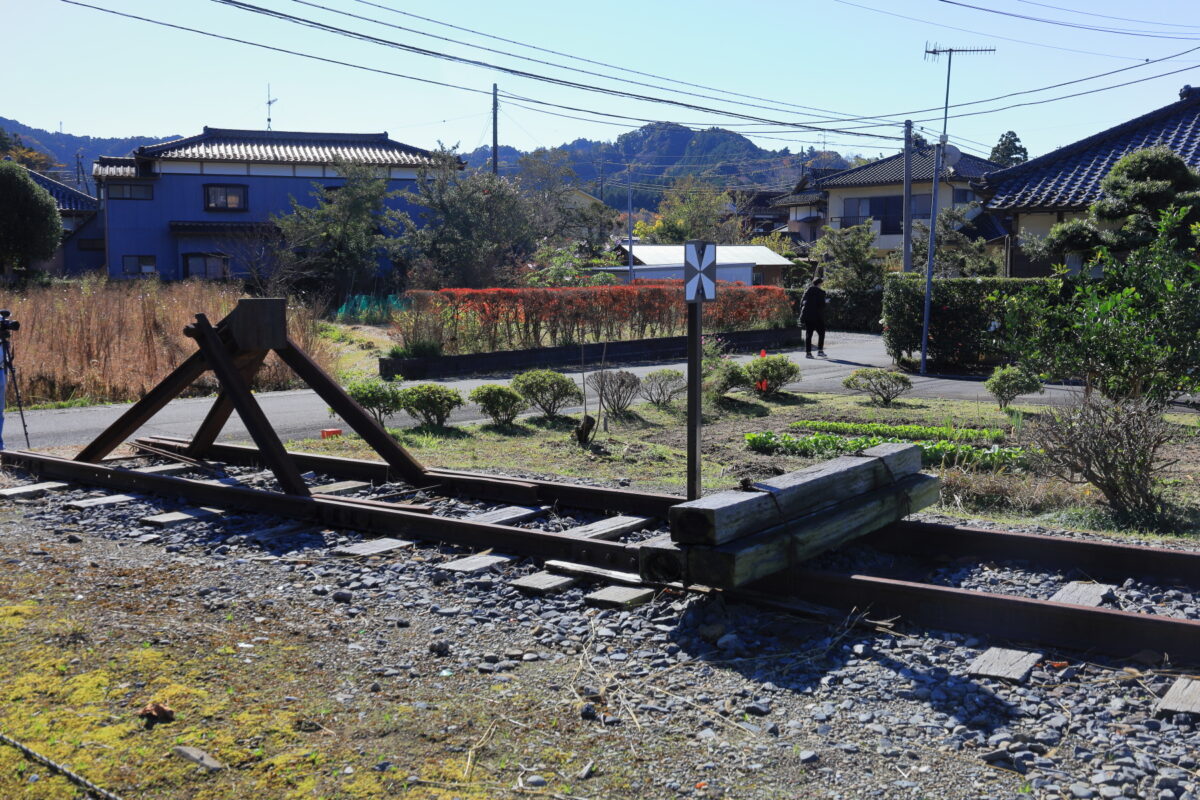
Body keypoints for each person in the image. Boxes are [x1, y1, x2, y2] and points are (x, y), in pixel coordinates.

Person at [799, 276, 827, 358]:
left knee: (808, 335)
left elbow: (802, 303)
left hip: (807, 316)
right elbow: (822, 305)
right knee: (821, 333)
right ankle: (820, 351)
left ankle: (808, 353)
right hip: (817, 316)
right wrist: (826, 302)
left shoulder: (807, 291)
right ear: (819, 283)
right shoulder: (821, 292)